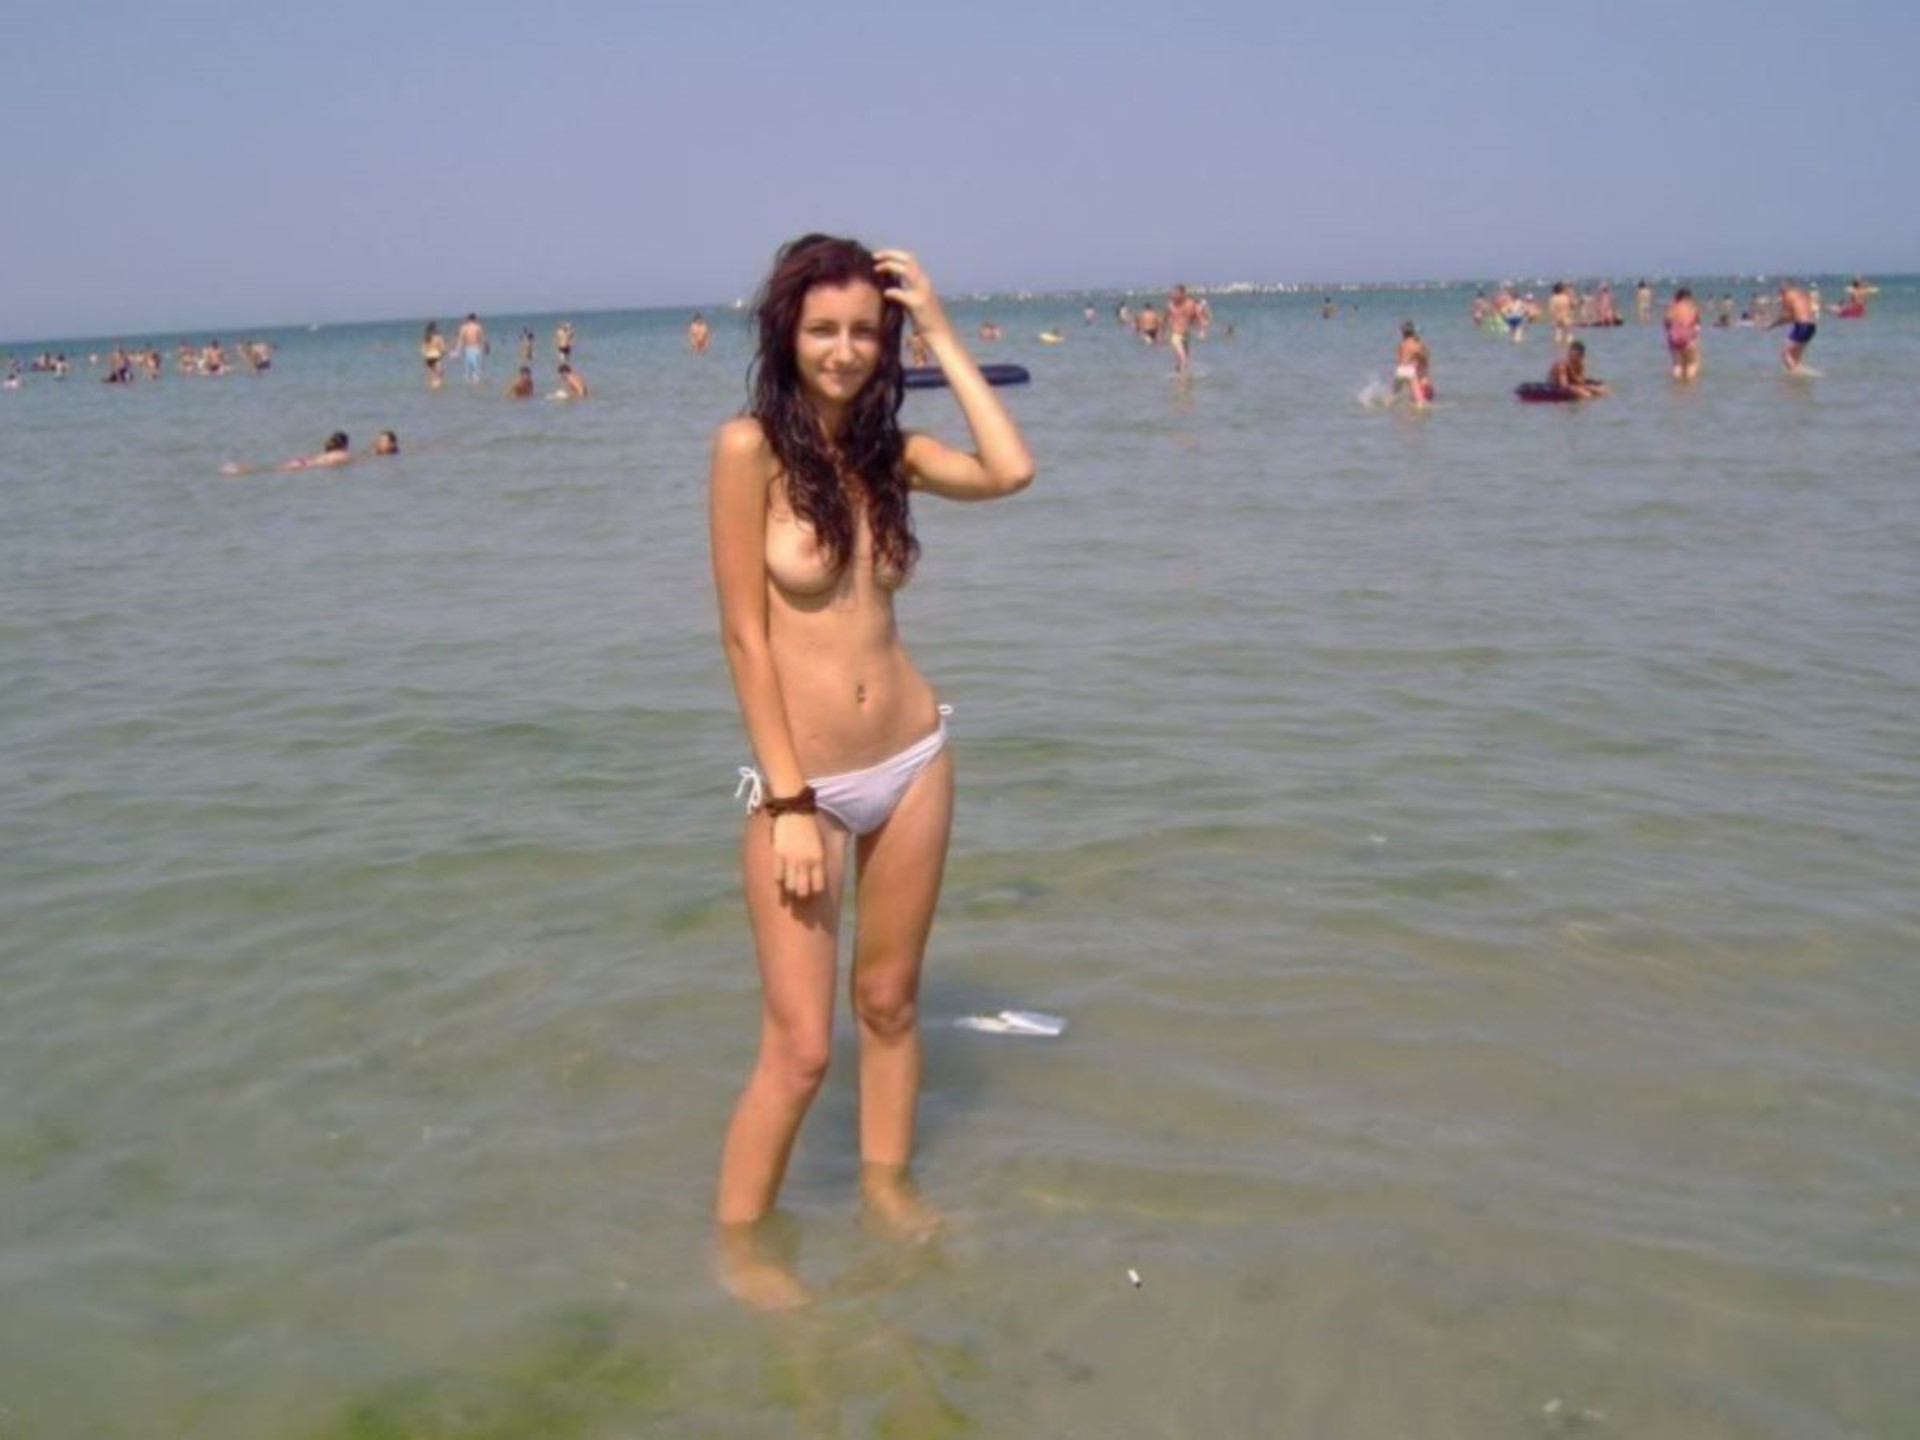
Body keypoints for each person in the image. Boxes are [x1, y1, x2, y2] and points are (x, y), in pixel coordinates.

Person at [708, 235, 1034, 1308]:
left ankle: (887, 1194)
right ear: (786, 335)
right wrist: (790, 803)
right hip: (804, 788)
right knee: (801, 1048)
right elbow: (745, 641)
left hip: (914, 760)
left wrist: (938, 325)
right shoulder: (747, 451)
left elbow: (1011, 470)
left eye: (863, 331)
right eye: (823, 330)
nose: (843, 350)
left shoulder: (895, 457)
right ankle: (742, 1252)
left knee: (890, 1003)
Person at [1769, 281, 1817, 372]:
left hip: (1802, 326)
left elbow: (1786, 316)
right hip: (1812, 326)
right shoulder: (1801, 295)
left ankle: (1799, 374)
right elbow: (1796, 315)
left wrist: (1772, 325)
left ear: (1784, 289)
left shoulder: (1787, 295)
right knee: (1795, 356)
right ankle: (1798, 380)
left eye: (1780, 291)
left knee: (1785, 353)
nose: (1780, 294)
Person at [1665, 288, 1703, 381]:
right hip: (1688, 338)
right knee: (1692, 363)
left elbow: (1666, 324)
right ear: (1688, 297)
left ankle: (1677, 384)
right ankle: (1689, 385)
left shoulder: (1671, 308)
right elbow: (1697, 326)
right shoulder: (1692, 307)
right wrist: (1694, 337)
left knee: (1677, 364)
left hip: (1673, 338)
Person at [1393, 321, 1430, 409]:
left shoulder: (1401, 344)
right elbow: (1422, 356)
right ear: (1413, 333)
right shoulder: (1415, 345)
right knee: (1420, 401)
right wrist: (1425, 363)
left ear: (1403, 333)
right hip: (1410, 370)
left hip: (1399, 370)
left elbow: (1398, 358)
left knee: (1394, 395)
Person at [1166, 283, 1201, 374]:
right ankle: (1184, 378)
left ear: (1183, 293)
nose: (1174, 295)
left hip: (1186, 334)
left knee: (1183, 359)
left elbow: (1196, 317)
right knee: (1183, 358)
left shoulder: (1191, 304)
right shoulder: (1171, 305)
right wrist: (1161, 332)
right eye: (1174, 293)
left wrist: (1201, 329)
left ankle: (1178, 375)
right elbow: (1166, 318)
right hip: (1175, 334)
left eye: (1177, 293)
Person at [457, 313, 487, 383]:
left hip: (467, 350)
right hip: (476, 349)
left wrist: (457, 350)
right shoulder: (478, 327)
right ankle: (475, 385)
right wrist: (486, 347)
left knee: (467, 371)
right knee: (476, 371)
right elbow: (482, 339)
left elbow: (460, 340)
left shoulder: (463, 328)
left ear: (468, 319)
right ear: (475, 319)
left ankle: (468, 386)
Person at [421, 322, 446, 389]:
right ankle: (438, 387)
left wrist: (425, 355)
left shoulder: (426, 337)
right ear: (435, 328)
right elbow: (443, 348)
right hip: (436, 356)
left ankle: (433, 388)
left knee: (432, 374)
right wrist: (443, 353)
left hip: (428, 357)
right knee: (440, 373)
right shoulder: (438, 337)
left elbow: (423, 349)